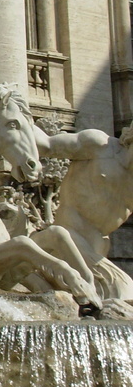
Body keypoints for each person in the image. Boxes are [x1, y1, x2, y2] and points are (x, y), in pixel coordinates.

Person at [36, 126, 133, 300]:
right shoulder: (99, 145)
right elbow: (45, 144)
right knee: (122, 290)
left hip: (96, 253)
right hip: (66, 239)